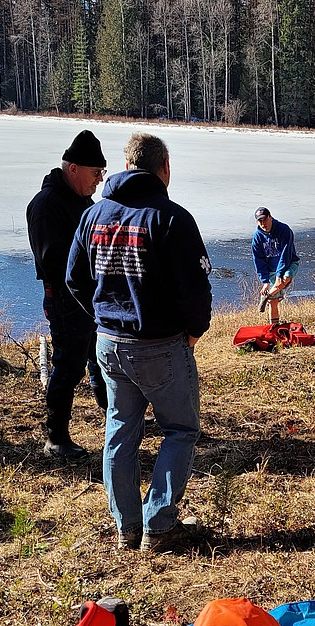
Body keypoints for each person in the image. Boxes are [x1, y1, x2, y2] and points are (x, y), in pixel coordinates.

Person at [67, 133, 213, 553]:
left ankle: (127, 525)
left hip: (110, 344)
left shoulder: (93, 216)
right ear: (163, 168)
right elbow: (196, 288)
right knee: (180, 429)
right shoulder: (170, 217)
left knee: (120, 431)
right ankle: (159, 524)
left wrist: (101, 317)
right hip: (160, 345)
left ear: (128, 166)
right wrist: (194, 329)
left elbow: (74, 278)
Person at [26, 129, 108, 459]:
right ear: (72, 168)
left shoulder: (82, 201)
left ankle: (114, 417)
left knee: (101, 360)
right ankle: (56, 437)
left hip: (90, 297)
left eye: (102, 173)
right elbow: (52, 260)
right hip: (63, 298)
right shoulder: (46, 205)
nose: (99, 180)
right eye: (95, 173)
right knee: (68, 366)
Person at [251, 207, 300, 324]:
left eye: (265, 220)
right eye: (260, 221)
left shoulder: (284, 230)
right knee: (273, 302)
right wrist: (265, 282)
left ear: (270, 217)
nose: (263, 223)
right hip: (271, 270)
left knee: (286, 278)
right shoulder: (257, 238)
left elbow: (285, 254)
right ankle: (274, 327)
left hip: (289, 263)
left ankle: (266, 296)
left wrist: (279, 276)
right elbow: (259, 261)